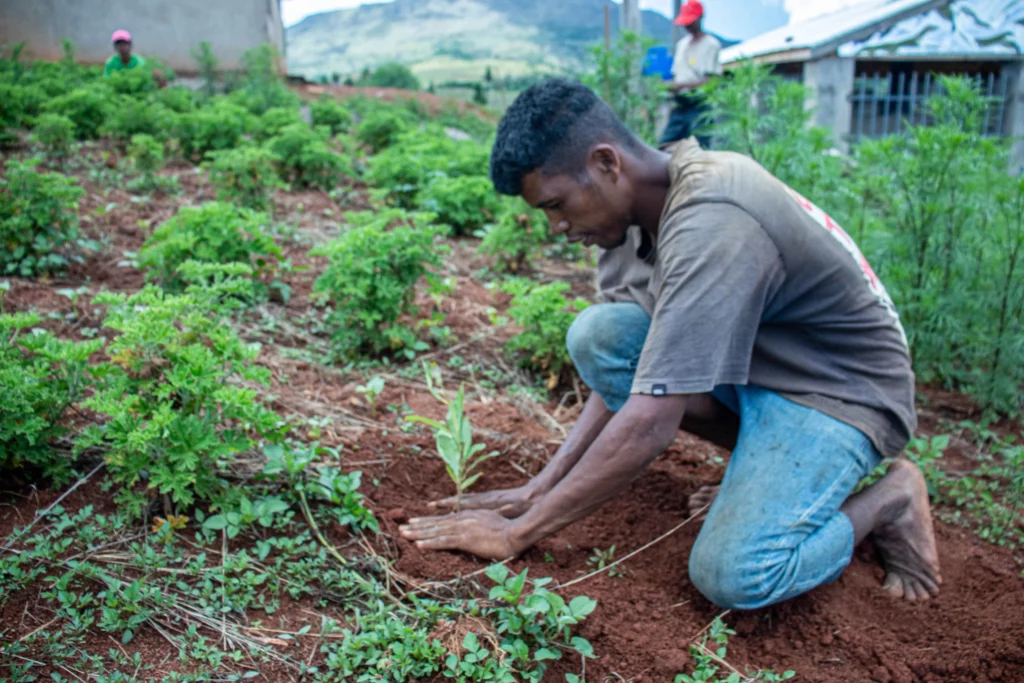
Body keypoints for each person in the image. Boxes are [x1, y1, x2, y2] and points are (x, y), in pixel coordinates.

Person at [400, 78, 943, 610]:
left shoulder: (713, 220)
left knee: (735, 574)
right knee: (601, 334)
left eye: (556, 205)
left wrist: (518, 534)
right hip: (760, 369)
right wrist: (540, 487)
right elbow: (633, 372)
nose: (557, 227)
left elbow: (650, 419)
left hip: (840, 394)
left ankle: (887, 500)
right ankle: (760, 476)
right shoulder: (628, 217)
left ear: (606, 164)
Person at [661, 0, 721, 148]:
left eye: (690, 22)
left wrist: (682, 85)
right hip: (681, 104)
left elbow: (712, 81)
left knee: (700, 149)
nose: (687, 26)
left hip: (700, 104)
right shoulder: (682, 45)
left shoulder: (711, 45)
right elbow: (676, 73)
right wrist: (671, 87)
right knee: (666, 145)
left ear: (700, 18)